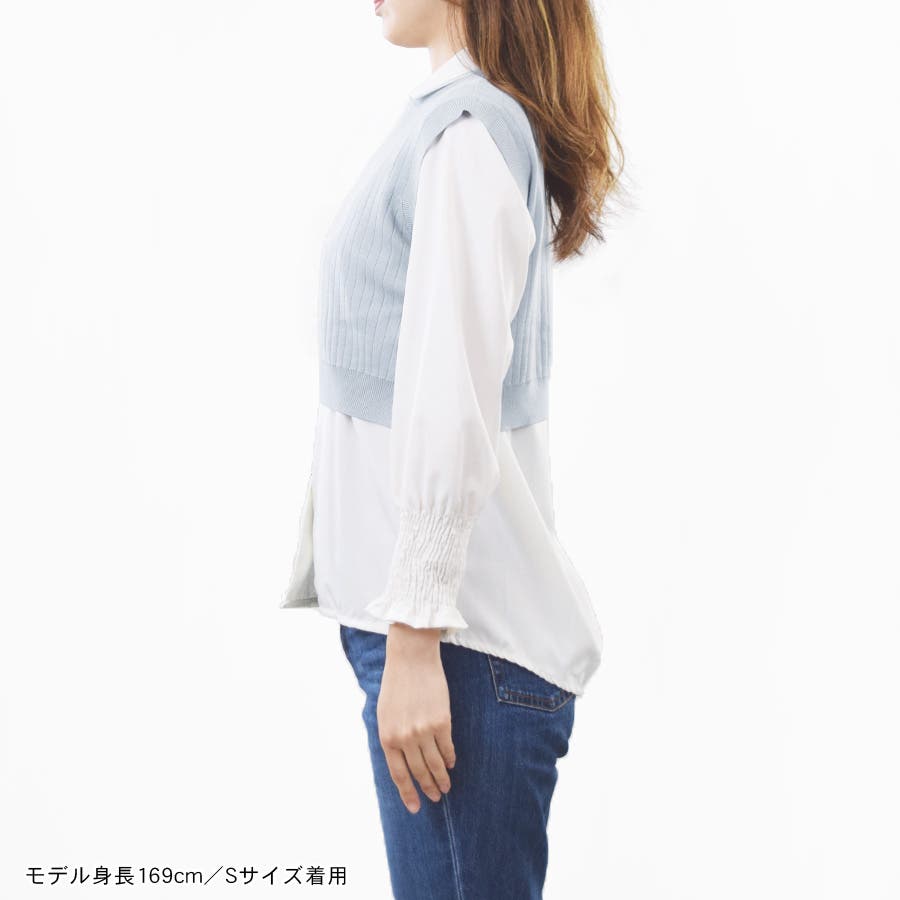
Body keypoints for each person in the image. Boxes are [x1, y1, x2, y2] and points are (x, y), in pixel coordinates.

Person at [282, 1, 623, 896]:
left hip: (459, 650)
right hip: (443, 643)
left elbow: (449, 398)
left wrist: (414, 633)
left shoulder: (470, 131)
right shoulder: (456, 121)